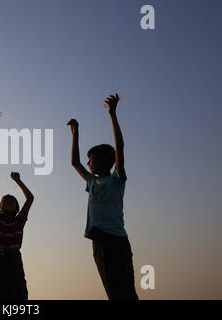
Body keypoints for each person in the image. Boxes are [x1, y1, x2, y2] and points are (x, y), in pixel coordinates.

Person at [67, 93, 138, 300]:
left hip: (118, 241)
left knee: (126, 291)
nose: (88, 163)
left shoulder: (117, 178)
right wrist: (75, 133)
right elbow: (75, 163)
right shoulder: (91, 182)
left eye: (92, 159)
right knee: (114, 292)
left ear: (106, 160)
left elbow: (120, 148)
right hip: (100, 242)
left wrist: (112, 115)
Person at [0, 150, 34, 300]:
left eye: (12, 201)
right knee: (1, 294)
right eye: (5, 201)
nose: (8, 202)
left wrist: (18, 181)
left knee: (20, 294)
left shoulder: (19, 220)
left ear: (16, 208)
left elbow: (30, 198)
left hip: (14, 257)